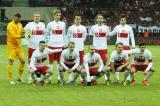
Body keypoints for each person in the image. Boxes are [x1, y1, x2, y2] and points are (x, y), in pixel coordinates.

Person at [110, 14, 135, 82]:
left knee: (126, 63)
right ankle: (117, 79)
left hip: (126, 47)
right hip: (118, 47)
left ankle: (128, 78)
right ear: (120, 21)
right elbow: (111, 33)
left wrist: (133, 46)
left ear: (125, 20)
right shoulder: (117, 27)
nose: (123, 21)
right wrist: (106, 33)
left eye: (124, 20)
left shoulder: (129, 28)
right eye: (121, 20)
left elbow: (132, 37)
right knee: (116, 62)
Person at [24, 12, 46, 83]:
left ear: (40, 17)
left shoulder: (42, 24)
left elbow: (44, 34)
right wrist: (27, 35)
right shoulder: (29, 24)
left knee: (40, 62)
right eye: (36, 16)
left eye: (38, 16)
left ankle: (38, 77)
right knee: (30, 62)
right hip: (32, 47)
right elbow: (24, 32)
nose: (37, 17)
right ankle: (30, 77)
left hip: (40, 48)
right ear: (33, 17)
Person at [46, 9, 66, 83]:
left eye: (59, 15)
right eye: (57, 15)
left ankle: (58, 78)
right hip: (51, 46)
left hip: (60, 46)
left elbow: (64, 34)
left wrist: (65, 43)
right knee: (51, 62)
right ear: (53, 16)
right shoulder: (50, 24)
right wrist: (48, 42)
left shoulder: (63, 24)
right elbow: (47, 34)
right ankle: (49, 78)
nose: (58, 17)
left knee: (59, 62)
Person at [89, 14, 110, 83]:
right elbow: (90, 37)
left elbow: (108, 37)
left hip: (103, 48)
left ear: (103, 19)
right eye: (99, 18)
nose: (100, 19)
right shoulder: (93, 27)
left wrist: (103, 41)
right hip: (96, 48)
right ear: (96, 19)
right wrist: (92, 46)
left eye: (101, 18)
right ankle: (93, 79)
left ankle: (106, 79)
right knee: (93, 63)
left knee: (104, 63)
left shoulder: (106, 27)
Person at [67, 14, 87, 83]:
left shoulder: (83, 28)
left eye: (79, 19)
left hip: (81, 49)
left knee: (81, 64)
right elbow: (68, 37)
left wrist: (80, 42)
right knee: (71, 63)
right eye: (77, 19)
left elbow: (84, 38)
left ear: (80, 20)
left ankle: (81, 79)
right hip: (73, 49)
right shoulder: (70, 28)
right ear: (74, 20)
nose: (78, 20)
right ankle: (70, 78)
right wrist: (71, 45)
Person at [6, 13, 25, 85]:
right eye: (17, 18)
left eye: (19, 18)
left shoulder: (20, 24)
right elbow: (13, 36)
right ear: (14, 17)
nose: (18, 19)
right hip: (12, 46)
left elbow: (22, 31)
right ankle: (10, 79)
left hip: (19, 46)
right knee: (11, 62)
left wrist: (26, 33)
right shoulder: (10, 25)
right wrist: (22, 36)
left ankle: (19, 77)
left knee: (23, 61)